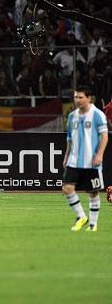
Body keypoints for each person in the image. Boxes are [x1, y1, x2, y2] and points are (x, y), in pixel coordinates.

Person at [61, 86, 108, 231]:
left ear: (89, 98)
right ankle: (81, 216)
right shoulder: (72, 116)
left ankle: (93, 224)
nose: (77, 100)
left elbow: (104, 136)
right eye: (76, 97)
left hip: (91, 161)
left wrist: (99, 155)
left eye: (80, 97)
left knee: (92, 193)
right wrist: (67, 155)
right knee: (67, 188)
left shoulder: (97, 114)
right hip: (74, 160)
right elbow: (70, 138)